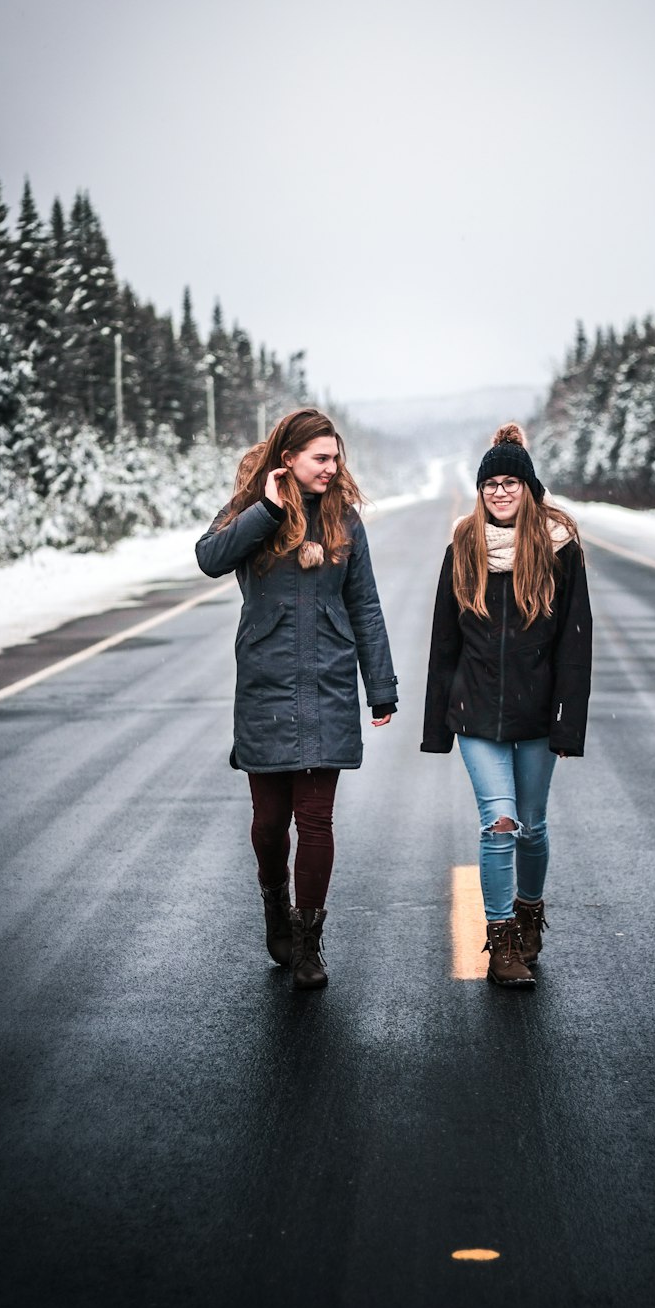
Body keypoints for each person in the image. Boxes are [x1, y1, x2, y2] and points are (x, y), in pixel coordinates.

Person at [196, 408, 398, 990]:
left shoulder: (344, 521)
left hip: (329, 684)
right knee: (268, 824)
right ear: (288, 459)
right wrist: (267, 510)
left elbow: (365, 606)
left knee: (315, 820)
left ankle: (309, 941)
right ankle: (273, 905)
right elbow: (209, 558)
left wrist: (380, 687)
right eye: (321, 458)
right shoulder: (249, 509)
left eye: (337, 458)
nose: (333, 469)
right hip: (265, 686)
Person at [421, 424, 592, 987]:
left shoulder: (561, 551)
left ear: (528, 489)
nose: (499, 492)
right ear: (480, 491)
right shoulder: (462, 547)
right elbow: (445, 641)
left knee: (533, 828)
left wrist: (569, 724)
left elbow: (575, 641)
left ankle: (529, 909)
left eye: (510, 483)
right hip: (476, 710)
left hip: (539, 712)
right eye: (491, 483)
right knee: (501, 823)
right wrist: (436, 725)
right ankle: (501, 943)